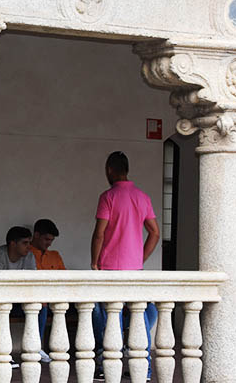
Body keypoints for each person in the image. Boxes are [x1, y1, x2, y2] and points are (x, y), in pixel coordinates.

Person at [90, 151, 161, 380]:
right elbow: (155, 233)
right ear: (127, 169)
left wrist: (94, 261)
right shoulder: (142, 197)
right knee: (140, 315)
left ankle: (106, 366)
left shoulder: (107, 197)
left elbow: (99, 234)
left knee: (109, 316)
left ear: (110, 169)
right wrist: (140, 257)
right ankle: (145, 369)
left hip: (109, 267)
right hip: (135, 269)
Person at [0, 226, 37, 368]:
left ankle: (36, 350)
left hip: (18, 299)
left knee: (38, 306)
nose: (29, 247)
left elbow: (32, 282)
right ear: (13, 244)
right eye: (25, 243)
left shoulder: (29, 256)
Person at [30, 218, 65, 362]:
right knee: (41, 305)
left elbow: (64, 278)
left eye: (51, 240)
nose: (49, 243)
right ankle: (37, 347)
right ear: (36, 235)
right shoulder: (26, 253)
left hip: (54, 298)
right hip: (35, 299)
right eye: (46, 239)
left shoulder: (54, 255)